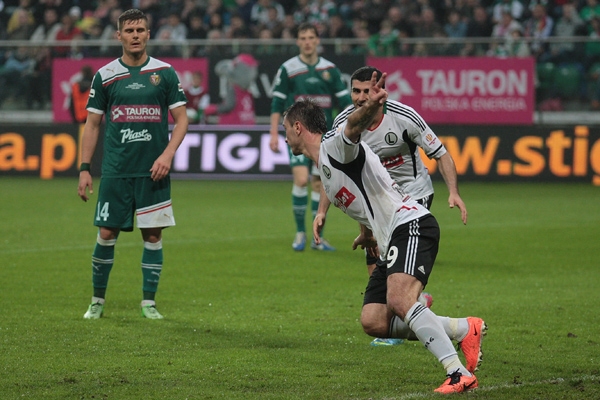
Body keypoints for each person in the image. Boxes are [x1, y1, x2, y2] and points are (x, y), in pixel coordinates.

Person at [282, 74, 485, 394]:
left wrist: (372, 105)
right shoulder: (325, 168)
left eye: (285, 131)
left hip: (411, 223)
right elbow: (363, 195)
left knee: (400, 299)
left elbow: (352, 127)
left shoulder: (336, 144)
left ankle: (457, 372)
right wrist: (366, 232)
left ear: (297, 128)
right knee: (374, 320)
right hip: (389, 233)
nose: (284, 140)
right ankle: (463, 328)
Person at [327, 66, 468, 346]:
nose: (361, 97)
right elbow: (333, 168)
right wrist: (322, 211)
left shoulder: (404, 117)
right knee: (377, 253)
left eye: (367, 90)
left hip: (414, 195)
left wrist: (454, 192)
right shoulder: (345, 123)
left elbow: (440, 154)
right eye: (356, 91)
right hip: (377, 199)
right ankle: (405, 307)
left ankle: (400, 312)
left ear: (378, 90)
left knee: (389, 253)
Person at [77, 9, 189, 320]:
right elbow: (93, 124)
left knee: (153, 236)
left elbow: (182, 121)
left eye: (140, 29)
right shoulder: (106, 75)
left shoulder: (165, 73)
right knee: (107, 233)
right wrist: (85, 168)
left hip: (153, 171)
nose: (135, 35)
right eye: (129, 30)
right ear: (119, 36)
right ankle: (97, 301)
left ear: (148, 34)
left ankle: (148, 304)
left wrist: (167, 155)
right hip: (116, 170)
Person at [269, 22, 352, 252]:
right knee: (301, 180)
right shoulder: (288, 68)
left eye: (310, 37)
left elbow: (345, 103)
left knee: (319, 184)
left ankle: (318, 237)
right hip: (295, 136)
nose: (307, 41)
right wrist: (274, 132)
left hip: (322, 137)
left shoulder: (330, 70)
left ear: (317, 40)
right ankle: (299, 233)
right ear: (298, 41)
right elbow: (277, 101)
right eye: (302, 38)